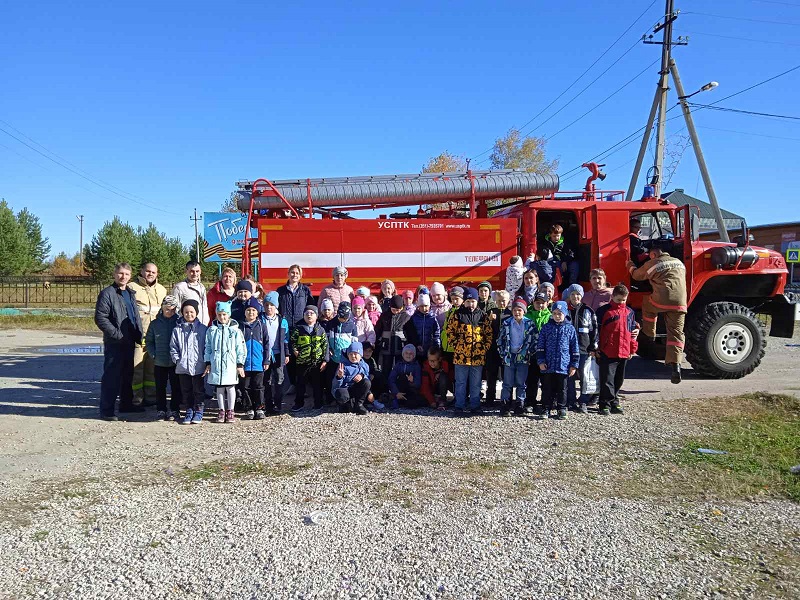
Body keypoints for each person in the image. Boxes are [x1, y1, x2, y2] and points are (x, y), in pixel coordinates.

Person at [627, 239, 687, 384]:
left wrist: (629, 265)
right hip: (680, 304)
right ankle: (676, 366)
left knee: (647, 304)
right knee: (676, 334)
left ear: (654, 254)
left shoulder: (654, 262)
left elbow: (637, 275)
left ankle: (650, 334)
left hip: (661, 300)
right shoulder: (679, 262)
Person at [94, 263, 144, 421]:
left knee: (127, 375)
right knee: (112, 376)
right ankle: (106, 410)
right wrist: (116, 334)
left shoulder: (130, 292)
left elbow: (134, 314)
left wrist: (138, 334)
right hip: (115, 342)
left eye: (127, 274)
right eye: (121, 274)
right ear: (115, 275)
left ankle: (126, 404)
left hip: (130, 340)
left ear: (131, 276)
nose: (123, 277)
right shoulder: (107, 293)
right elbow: (100, 317)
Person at [447, 287, 493, 415]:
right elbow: (450, 331)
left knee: (476, 383)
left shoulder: (482, 316)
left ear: (477, 301)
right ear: (464, 302)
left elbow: (488, 334)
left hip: (478, 356)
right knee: (460, 383)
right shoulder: (457, 315)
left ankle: (475, 406)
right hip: (461, 356)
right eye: (468, 301)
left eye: (473, 301)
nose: (470, 304)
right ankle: (459, 406)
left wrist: (484, 347)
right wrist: (457, 345)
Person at [595, 284, 640, 416]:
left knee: (618, 379)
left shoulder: (630, 312)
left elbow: (631, 332)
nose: (621, 302)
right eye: (619, 299)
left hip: (624, 351)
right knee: (607, 379)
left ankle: (614, 401)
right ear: (613, 296)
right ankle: (604, 404)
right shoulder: (603, 311)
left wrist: (632, 349)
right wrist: (596, 347)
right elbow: (596, 331)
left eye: (624, 300)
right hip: (607, 350)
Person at [128, 262, 167, 407]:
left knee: (152, 368)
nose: (150, 274)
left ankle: (151, 396)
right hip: (138, 334)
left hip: (156, 336)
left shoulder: (162, 290)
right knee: (136, 368)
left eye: (154, 272)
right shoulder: (132, 287)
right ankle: (136, 397)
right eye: (148, 271)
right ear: (142, 271)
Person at [204, 301, 246, 424]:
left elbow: (241, 348)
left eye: (225, 314)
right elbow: (208, 347)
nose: (222, 317)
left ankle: (230, 410)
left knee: (231, 387)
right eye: (220, 314)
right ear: (216, 315)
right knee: (220, 388)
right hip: (216, 363)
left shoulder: (235, 331)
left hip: (230, 364)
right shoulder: (211, 330)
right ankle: (221, 410)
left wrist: (240, 364)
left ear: (229, 315)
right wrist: (208, 362)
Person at [536, 301, 579, 420]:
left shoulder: (570, 329)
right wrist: (541, 360)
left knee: (562, 388)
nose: (557, 316)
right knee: (547, 388)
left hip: (563, 365)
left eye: (560, 313)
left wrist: (574, 364)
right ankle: (546, 408)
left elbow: (574, 348)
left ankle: (561, 408)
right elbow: (540, 346)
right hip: (548, 364)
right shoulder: (546, 327)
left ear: (564, 313)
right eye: (554, 313)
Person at [497, 297, 537, 416]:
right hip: (509, 356)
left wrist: (529, 353)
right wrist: (503, 353)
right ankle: (505, 405)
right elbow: (500, 340)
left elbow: (535, 340)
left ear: (524, 311)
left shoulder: (529, 324)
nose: (517, 312)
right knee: (507, 383)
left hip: (523, 357)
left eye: (519, 310)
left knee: (521, 382)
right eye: (515, 310)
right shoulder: (507, 323)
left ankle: (520, 404)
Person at [170, 299, 208, 424]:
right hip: (183, 366)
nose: (189, 315)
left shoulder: (203, 329)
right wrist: (177, 360)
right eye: (186, 312)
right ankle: (189, 410)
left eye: (192, 312)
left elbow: (207, 346)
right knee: (186, 390)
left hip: (198, 365)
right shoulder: (177, 330)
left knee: (198, 390)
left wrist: (206, 361)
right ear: (182, 313)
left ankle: (199, 410)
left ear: (196, 313)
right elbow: (173, 347)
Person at [144, 295, 181, 421]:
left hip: (175, 361)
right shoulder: (155, 324)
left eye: (172, 309)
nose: (169, 311)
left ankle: (175, 410)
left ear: (176, 309)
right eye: (167, 309)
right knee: (160, 387)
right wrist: (153, 354)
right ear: (162, 308)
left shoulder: (180, 322)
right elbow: (149, 341)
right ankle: (161, 409)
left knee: (176, 387)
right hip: (160, 361)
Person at [564, 284, 599, 413]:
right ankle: (571, 401)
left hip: (584, 349)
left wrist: (593, 347)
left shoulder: (588, 311)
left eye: (578, 294)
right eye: (572, 294)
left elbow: (594, 330)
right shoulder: (565, 310)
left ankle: (583, 401)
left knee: (584, 377)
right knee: (569, 376)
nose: (575, 297)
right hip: (567, 350)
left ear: (582, 295)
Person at [290, 305, 328, 411]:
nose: (309, 315)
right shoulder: (299, 328)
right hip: (302, 362)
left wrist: (325, 360)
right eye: (307, 313)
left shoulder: (321, 330)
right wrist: (295, 350)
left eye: (312, 313)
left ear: (316, 316)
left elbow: (325, 345)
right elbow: (292, 341)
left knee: (317, 385)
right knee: (300, 384)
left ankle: (318, 403)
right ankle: (299, 403)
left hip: (316, 363)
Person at [240, 297, 269, 420]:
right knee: (245, 387)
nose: (251, 313)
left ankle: (260, 408)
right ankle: (249, 408)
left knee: (259, 386)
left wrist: (266, 360)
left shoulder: (261, 326)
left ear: (257, 312)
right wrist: (239, 363)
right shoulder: (240, 327)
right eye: (248, 310)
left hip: (258, 362)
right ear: (245, 312)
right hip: (245, 363)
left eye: (253, 310)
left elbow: (267, 344)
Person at [323, 300, 358, 403]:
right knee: (329, 378)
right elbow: (326, 339)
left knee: (345, 378)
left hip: (345, 358)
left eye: (345, 318)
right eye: (340, 317)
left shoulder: (352, 326)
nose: (342, 320)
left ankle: (344, 398)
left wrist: (351, 355)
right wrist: (328, 349)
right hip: (333, 357)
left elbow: (354, 343)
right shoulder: (330, 324)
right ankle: (329, 398)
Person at [262, 291, 290, 413]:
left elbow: (286, 339)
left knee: (279, 379)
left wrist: (287, 353)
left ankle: (278, 404)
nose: (269, 307)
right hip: (265, 355)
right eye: (267, 305)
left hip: (279, 354)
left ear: (276, 306)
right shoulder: (260, 319)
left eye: (271, 305)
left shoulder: (282, 321)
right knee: (266, 380)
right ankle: (268, 405)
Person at [524, 292, 551, 412]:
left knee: (546, 381)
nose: (540, 305)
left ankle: (546, 402)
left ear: (547, 303)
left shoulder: (550, 317)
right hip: (531, 354)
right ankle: (530, 402)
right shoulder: (527, 316)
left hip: (547, 354)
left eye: (542, 303)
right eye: (537, 302)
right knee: (531, 380)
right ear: (533, 303)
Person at [374, 295, 411, 376]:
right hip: (386, 347)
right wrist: (376, 341)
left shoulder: (406, 317)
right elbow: (378, 330)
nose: (396, 312)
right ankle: (385, 387)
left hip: (400, 348)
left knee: (399, 369)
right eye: (393, 310)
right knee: (386, 370)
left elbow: (411, 332)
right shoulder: (384, 316)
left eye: (398, 310)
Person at [485, 290, 510, 406]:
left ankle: (505, 399)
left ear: (508, 301)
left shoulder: (510, 313)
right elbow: (484, 328)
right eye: (499, 301)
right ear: (496, 301)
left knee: (506, 375)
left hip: (506, 349)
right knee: (491, 374)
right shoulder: (491, 312)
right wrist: (489, 320)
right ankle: (490, 398)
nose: (502, 303)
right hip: (493, 349)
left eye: (504, 301)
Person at [332, 341, 370, 415]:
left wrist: (362, 376)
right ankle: (344, 405)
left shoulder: (365, 365)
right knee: (341, 394)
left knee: (366, 382)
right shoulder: (343, 366)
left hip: (356, 389)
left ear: (361, 355)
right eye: (350, 354)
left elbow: (367, 379)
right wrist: (339, 377)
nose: (353, 356)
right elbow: (335, 386)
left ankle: (359, 405)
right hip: (345, 389)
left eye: (355, 354)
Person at [277, 264, 314, 340]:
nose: (294, 275)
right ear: (288, 274)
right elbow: (278, 308)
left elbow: (311, 307)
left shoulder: (305, 290)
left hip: (301, 326)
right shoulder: (281, 290)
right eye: (292, 272)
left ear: (300, 276)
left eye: (297, 273)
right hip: (285, 325)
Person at [403, 293, 441, 361]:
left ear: (429, 306)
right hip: (416, 349)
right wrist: (415, 344)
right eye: (421, 306)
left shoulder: (432, 318)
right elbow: (410, 333)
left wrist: (436, 347)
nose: (424, 308)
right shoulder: (414, 318)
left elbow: (436, 334)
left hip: (429, 349)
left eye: (426, 306)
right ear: (418, 306)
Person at [171, 261, 209, 326]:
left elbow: (205, 307)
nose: (195, 274)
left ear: (200, 271)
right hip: (186, 328)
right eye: (192, 271)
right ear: (186, 271)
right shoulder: (180, 288)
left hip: (202, 327)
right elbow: (174, 310)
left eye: (197, 271)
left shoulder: (202, 287)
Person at [387, 344, 423, 409]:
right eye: (406, 353)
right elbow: (391, 379)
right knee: (402, 377)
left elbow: (418, 383)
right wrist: (396, 392)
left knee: (412, 404)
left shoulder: (416, 366)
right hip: (400, 388)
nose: (408, 355)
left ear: (414, 355)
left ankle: (404, 401)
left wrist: (412, 381)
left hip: (411, 389)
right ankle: (396, 398)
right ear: (403, 354)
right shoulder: (398, 365)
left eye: (411, 353)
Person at [440, 286, 464, 366]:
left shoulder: (462, 312)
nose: (454, 301)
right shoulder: (450, 311)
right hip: (446, 346)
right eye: (452, 299)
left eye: (457, 299)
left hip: (455, 348)